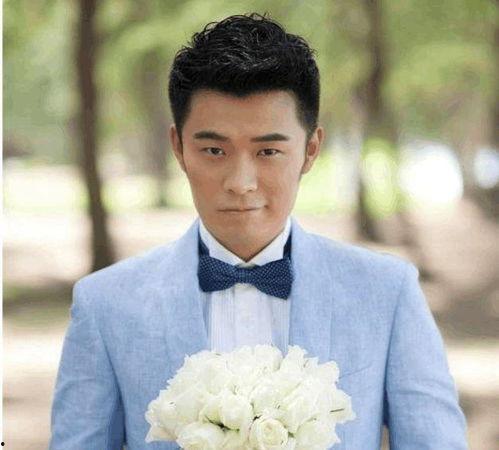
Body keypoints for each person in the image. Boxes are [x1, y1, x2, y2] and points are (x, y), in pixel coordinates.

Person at [49, 12, 468, 450]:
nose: (241, 182)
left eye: (268, 151)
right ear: (178, 147)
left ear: (310, 150)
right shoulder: (106, 305)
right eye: (214, 150)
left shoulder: (386, 293)